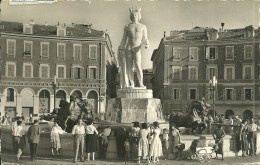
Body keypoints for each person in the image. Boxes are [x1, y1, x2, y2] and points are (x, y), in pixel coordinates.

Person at [118, 7, 149, 88]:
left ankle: (141, 83)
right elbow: (124, 39)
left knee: (138, 65)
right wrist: (121, 47)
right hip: (129, 47)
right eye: (133, 15)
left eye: (136, 14)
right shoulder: (127, 26)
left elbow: (145, 38)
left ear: (139, 16)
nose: (134, 16)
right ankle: (132, 83)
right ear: (131, 16)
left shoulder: (143, 26)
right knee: (130, 67)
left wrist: (147, 43)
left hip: (137, 47)